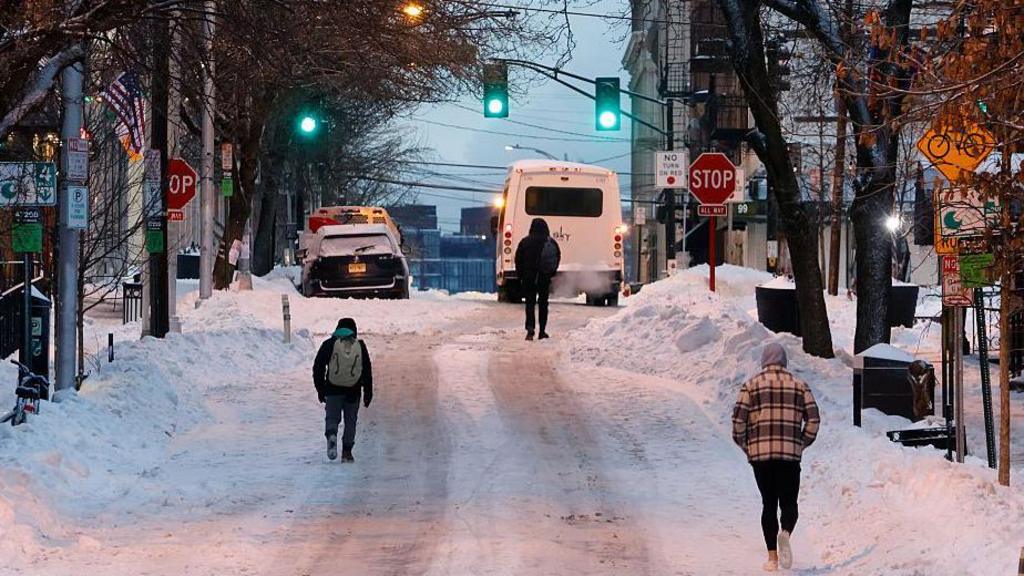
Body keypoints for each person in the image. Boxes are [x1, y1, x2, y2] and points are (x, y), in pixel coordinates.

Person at [732, 343, 819, 572]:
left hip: (761, 457)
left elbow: (739, 421)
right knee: (789, 503)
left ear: (764, 361)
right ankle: (786, 532)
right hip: (789, 456)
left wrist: (746, 445)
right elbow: (814, 419)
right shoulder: (800, 385)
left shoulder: (751, 386)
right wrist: (801, 443)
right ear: (784, 361)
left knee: (768, 504)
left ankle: (772, 559)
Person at [313, 318, 373, 462]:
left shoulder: (329, 344)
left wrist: (321, 389)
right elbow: (366, 370)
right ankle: (347, 452)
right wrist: (368, 392)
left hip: (333, 390)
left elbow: (318, 367)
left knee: (332, 418)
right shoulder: (359, 346)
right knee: (350, 421)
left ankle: (332, 434)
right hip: (353, 391)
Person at [514, 217, 561, 341]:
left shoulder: (525, 242)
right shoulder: (550, 242)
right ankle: (542, 331)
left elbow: (518, 260)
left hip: (529, 277)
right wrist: (551, 273)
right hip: (544, 277)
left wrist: (521, 276)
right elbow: (557, 257)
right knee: (543, 303)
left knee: (530, 303)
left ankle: (530, 329)